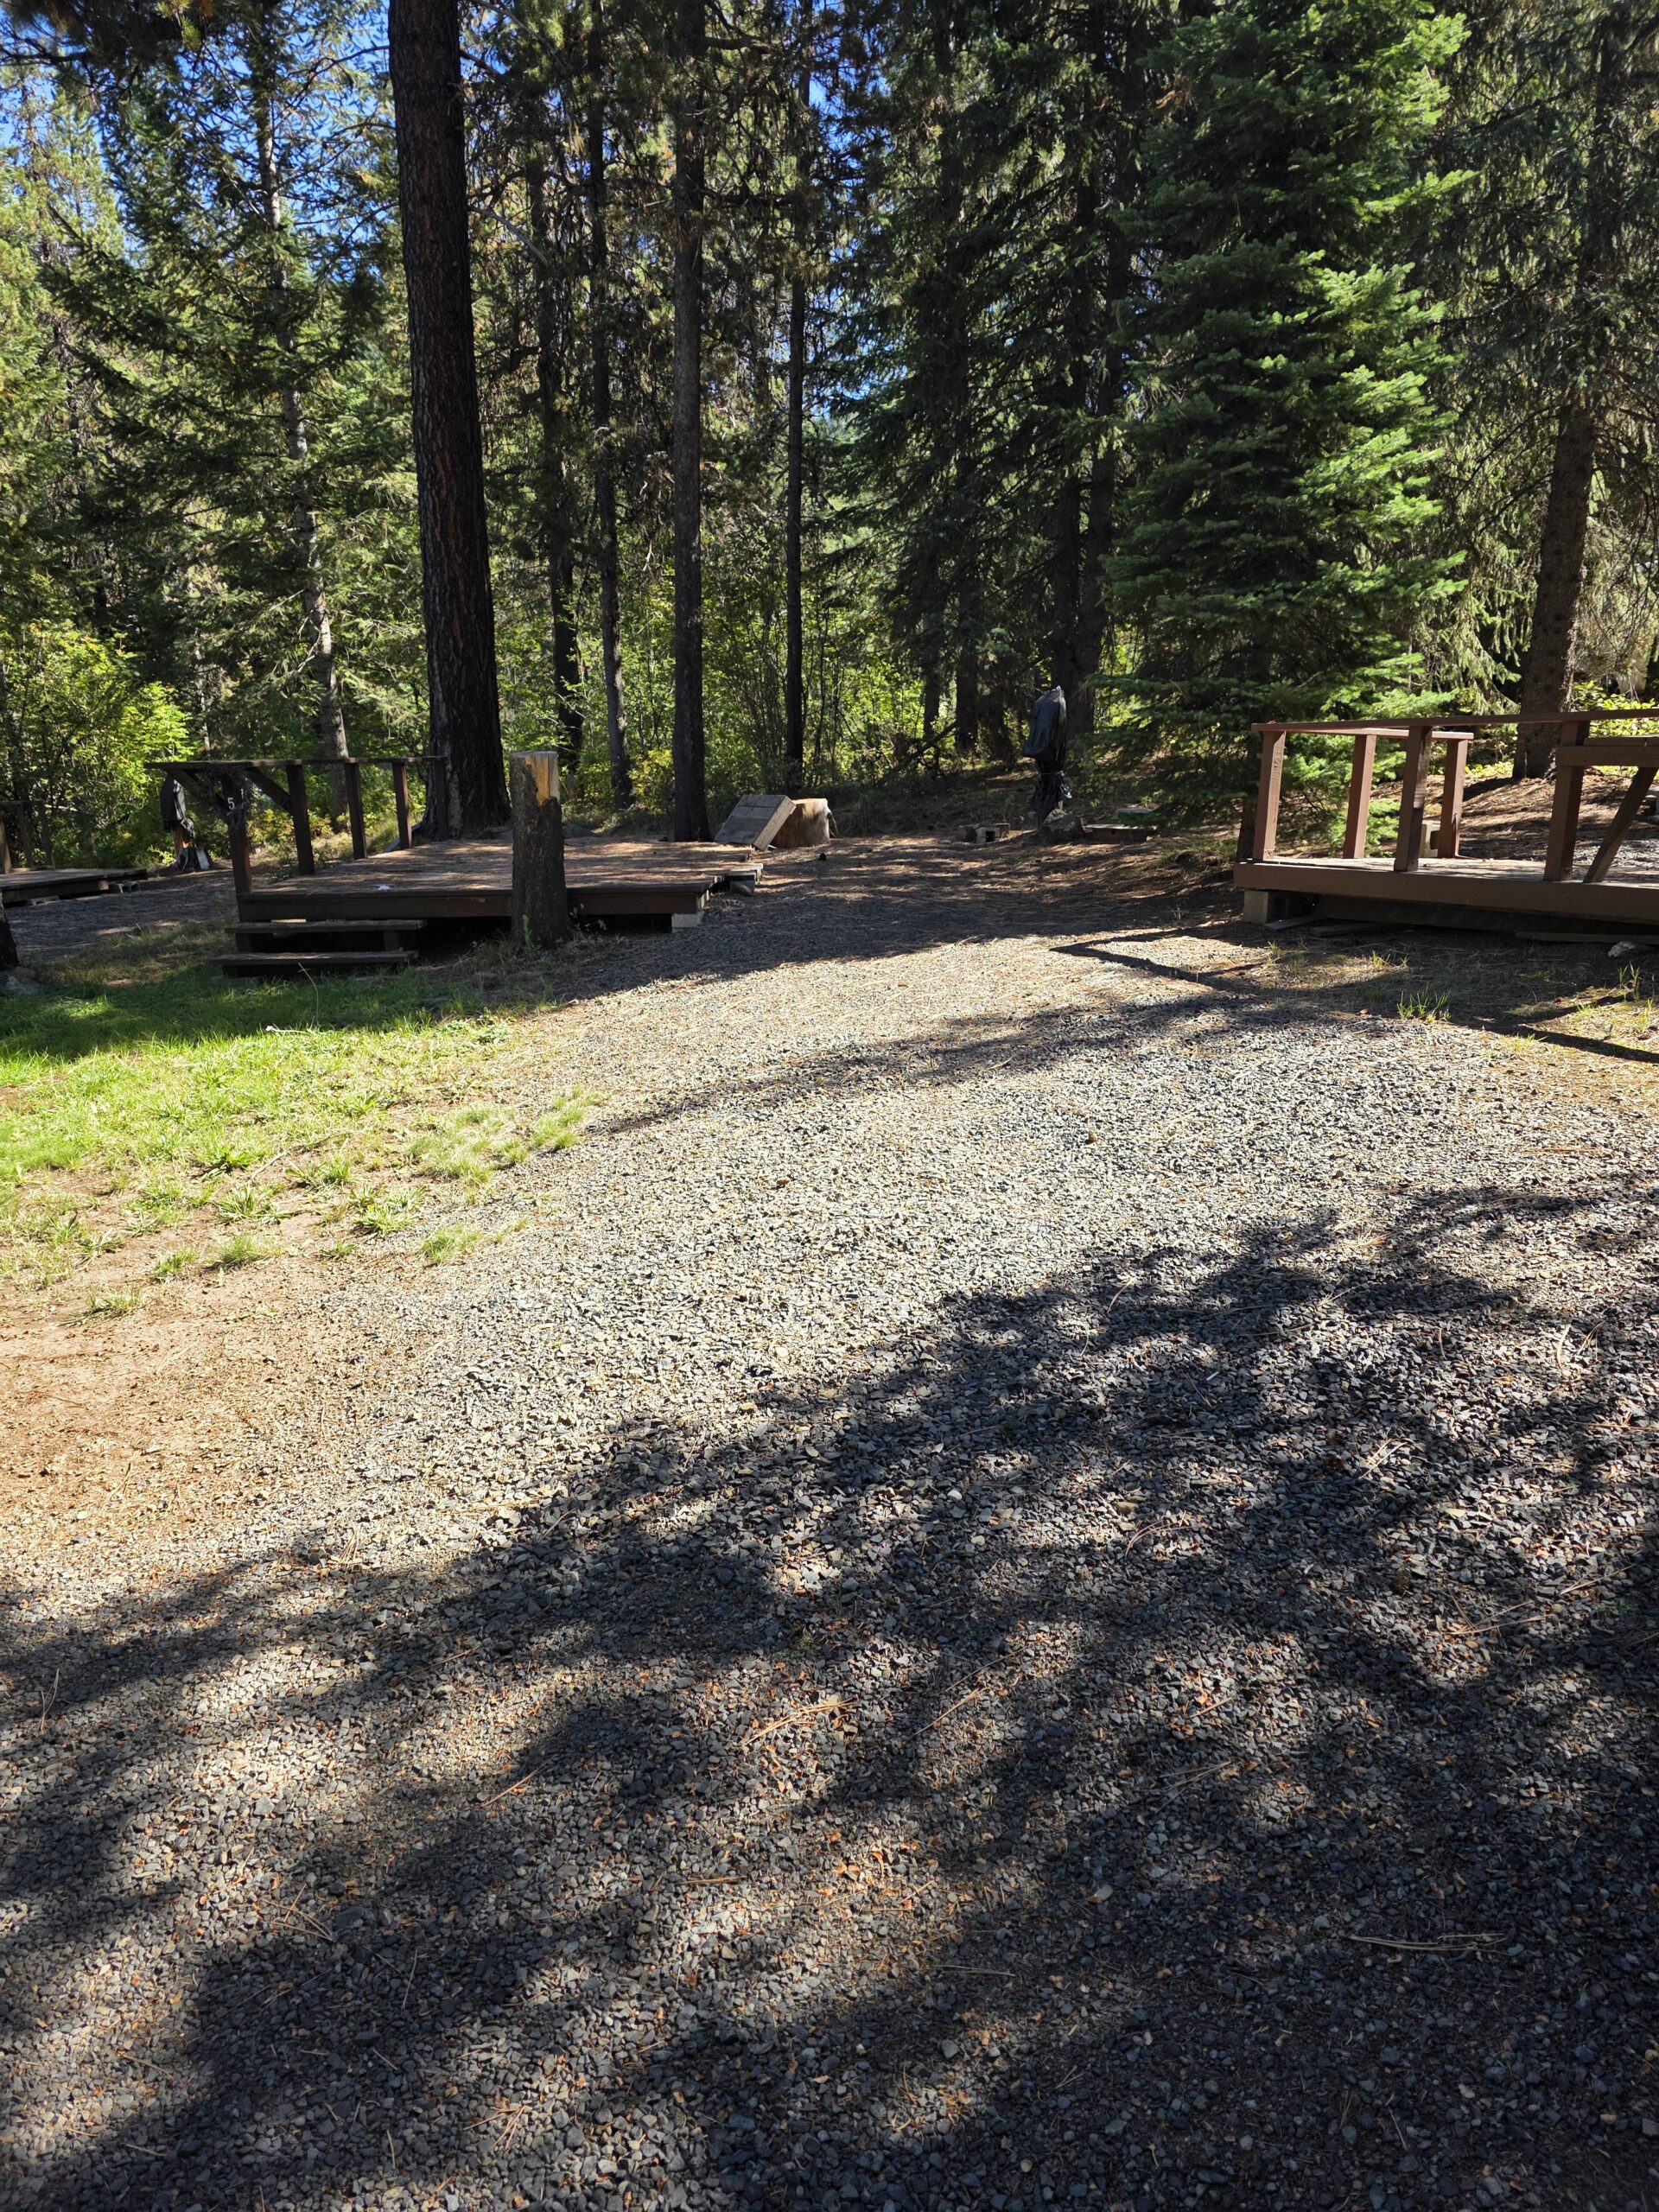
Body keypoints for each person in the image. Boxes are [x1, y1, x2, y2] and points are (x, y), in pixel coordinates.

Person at [1024, 681, 1071, 825]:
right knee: (1049, 788)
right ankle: (1046, 821)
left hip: (1051, 763)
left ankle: (1052, 819)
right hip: (1048, 763)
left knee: (1051, 788)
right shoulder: (1050, 705)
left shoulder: (1051, 705)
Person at [159, 773, 207, 870]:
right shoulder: (173, 784)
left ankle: (185, 859)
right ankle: (184, 860)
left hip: (174, 817)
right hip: (177, 818)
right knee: (181, 838)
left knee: (182, 837)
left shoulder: (169, 785)